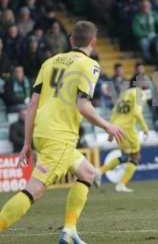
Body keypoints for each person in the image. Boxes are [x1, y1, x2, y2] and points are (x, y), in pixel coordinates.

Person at [0, 21, 124, 244]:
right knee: (34, 189)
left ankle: (69, 231)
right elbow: (83, 105)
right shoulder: (90, 65)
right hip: (60, 136)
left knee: (87, 173)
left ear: (70, 40)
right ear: (94, 42)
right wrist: (108, 125)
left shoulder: (50, 62)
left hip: (42, 131)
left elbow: (32, 105)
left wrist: (27, 143)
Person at [96, 85, 149, 192]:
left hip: (117, 128)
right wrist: (145, 128)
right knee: (135, 157)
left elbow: (114, 113)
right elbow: (137, 112)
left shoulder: (123, 95)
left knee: (125, 157)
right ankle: (121, 185)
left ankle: (98, 172)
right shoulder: (139, 93)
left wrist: (110, 132)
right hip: (128, 129)